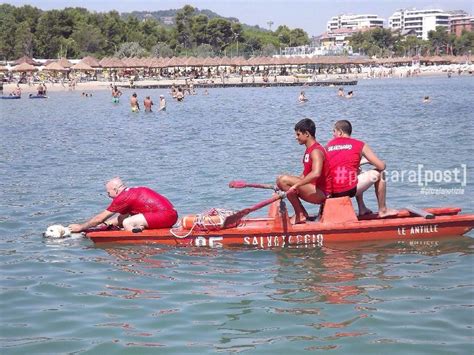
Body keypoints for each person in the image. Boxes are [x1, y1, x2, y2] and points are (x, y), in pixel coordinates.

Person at [326, 120, 397, 218]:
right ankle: (383, 210)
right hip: (347, 190)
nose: (333, 134)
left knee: (357, 170)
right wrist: (379, 163)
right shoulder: (359, 144)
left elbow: (338, 164)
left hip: (331, 191)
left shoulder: (328, 146)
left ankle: (362, 208)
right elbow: (381, 166)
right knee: (381, 173)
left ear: (340, 132)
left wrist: (363, 162)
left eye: (334, 131)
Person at [68, 177, 178, 233]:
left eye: (108, 192)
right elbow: (120, 218)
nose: (108, 195)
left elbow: (100, 218)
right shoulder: (132, 192)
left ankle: (137, 235)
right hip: (171, 215)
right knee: (126, 220)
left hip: (165, 216)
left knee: (127, 222)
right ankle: (139, 228)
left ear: (115, 190)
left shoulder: (123, 197)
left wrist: (81, 227)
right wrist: (104, 225)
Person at [276, 118, 332, 224]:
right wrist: (290, 184)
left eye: (298, 134)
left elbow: (316, 173)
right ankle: (300, 212)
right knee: (281, 180)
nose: (296, 137)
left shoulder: (316, 151)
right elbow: (305, 175)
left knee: (283, 180)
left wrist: (296, 185)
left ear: (306, 134)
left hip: (323, 193)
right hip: (314, 190)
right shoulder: (309, 150)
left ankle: (300, 214)